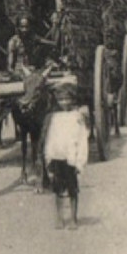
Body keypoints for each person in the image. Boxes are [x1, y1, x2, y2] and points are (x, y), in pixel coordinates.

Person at [42, 82, 89, 230]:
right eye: (61, 100)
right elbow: (50, 138)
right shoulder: (53, 118)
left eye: (67, 99)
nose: (64, 103)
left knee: (72, 189)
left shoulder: (77, 117)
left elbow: (82, 139)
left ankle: (73, 219)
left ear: (73, 100)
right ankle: (59, 218)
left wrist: (80, 161)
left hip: (71, 159)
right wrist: (48, 157)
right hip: (57, 157)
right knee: (57, 190)